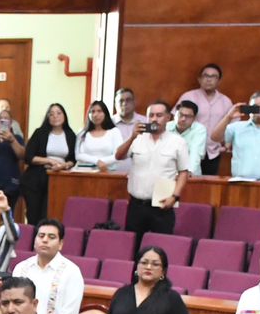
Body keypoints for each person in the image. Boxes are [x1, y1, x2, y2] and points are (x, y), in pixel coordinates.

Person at [114, 101, 192, 236]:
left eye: (159, 115)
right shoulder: (137, 139)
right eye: (151, 115)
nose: (154, 119)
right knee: (133, 246)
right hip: (136, 204)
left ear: (168, 118)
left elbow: (184, 172)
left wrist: (174, 197)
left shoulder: (178, 142)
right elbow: (118, 156)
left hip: (162, 204)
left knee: (161, 245)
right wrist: (132, 137)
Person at [9, 219, 84, 314]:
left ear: (60, 244)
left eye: (51, 237)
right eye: (41, 235)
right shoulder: (21, 268)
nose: (45, 240)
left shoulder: (71, 272)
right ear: (34, 241)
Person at [20, 104, 77, 223]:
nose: (55, 116)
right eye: (51, 114)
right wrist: (49, 161)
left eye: (58, 113)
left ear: (64, 116)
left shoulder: (71, 135)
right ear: (47, 117)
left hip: (59, 178)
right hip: (36, 178)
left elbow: (73, 159)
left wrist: (64, 165)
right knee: (34, 216)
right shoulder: (40, 133)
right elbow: (28, 157)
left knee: (50, 214)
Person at [180, 64, 235, 174]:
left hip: (213, 152)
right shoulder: (188, 97)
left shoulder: (226, 101)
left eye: (213, 76)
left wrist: (227, 143)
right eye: (206, 76)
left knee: (208, 186)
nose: (209, 79)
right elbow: (176, 121)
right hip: (188, 150)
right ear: (199, 79)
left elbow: (232, 127)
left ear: (219, 80)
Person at [75, 100, 122, 170]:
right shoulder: (82, 133)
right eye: (92, 111)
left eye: (99, 111)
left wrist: (101, 162)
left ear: (105, 113)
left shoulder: (114, 132)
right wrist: (97, 161)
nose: (95, 115)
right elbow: (78, 155)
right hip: (85, 172)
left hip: (108, 172)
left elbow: (118, 155)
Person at [169, 99, 208, 171]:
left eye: (188, 116)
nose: (183, 119)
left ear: (194, 118)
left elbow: (195, 153)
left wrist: (189, 174)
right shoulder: (166, 127)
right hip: (169, 174)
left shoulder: (199, 130)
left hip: (191, 175)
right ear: (175, 115)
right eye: (180, 115)